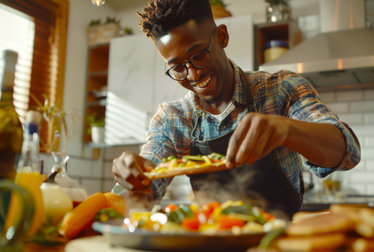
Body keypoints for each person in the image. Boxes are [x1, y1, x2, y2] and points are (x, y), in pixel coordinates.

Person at [112, 0, 360, 217]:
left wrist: (286, 130)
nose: (194, 73)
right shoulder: (173, 119)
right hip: (213, 242)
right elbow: (141, 199)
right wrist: (133, 178)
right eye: (178, 67)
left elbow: (348, 153)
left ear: (221, 37)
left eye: (199, 54)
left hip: (278, 243)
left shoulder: (281, 88)